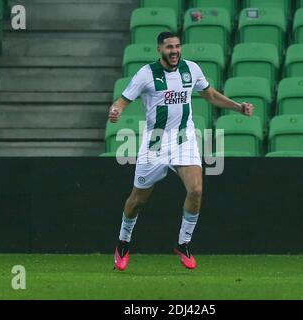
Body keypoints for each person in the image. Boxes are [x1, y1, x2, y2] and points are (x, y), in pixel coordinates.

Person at [109, 32, 254, 271]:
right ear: (159, 50)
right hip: (155, 143)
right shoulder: (147, 74)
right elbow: (123, 100)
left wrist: (238, 107)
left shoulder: (191, 70)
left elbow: (210, 95)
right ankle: (123, 242)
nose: (174, 51)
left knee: (196, 189)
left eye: (177, 46)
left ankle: (183, 243)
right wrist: (115, 110)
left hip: (184, 139)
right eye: (169, 47)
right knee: (137, 200)